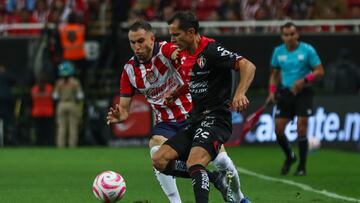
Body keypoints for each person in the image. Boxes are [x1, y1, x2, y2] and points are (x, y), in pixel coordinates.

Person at [106, 21, 250, 203]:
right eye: (132, 43)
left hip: (194, 115)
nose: (137, 47)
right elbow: (125, 110)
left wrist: (176, 55)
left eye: (141, 41)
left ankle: (239, 198)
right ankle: (179, 200)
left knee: (222, 162)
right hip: (166, 123)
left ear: (152, 39)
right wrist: (121, 116)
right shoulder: (129, 71)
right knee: (157, 152)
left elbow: (176, 52)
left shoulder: (166, 49)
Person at [152, 12, 255, 203]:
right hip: (195, 121)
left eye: (176, 35)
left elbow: (248, 66)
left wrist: (240, 93)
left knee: (195, 162)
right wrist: (176, 93)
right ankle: (215, 178)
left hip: (216, 120)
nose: (172, 40)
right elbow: (193, 82)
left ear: (191, 32)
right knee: (159, 160)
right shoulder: (184, 55)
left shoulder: (211, 50)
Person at [266, 22, 325, 176]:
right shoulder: (278, 52)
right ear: (282, 36)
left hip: (304, 92)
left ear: (297, 34)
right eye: (286, 34)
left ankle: (302, 167)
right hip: (286, 93)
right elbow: (275, 74)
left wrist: (304, 80)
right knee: (278, 130)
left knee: (301, 127)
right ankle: (290, 157)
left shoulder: (307, 50)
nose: (290, 37)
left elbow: (319, 71)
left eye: (292, 34)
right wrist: (272, 92)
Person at [53, 61, 84, 148]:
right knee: (73, 126)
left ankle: (60, 146)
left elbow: (55, 96)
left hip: (62, 104)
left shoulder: (59, 83)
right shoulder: (75, 82)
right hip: (72, 104)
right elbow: (80, 96)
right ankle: (72, 146)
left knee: (61, 127)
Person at [31, 73, 55, 146]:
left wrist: (40, 95)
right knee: (48, 129)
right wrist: (46, 95)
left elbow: (34, 96)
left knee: (38, 129)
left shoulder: (35, 88)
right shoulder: (50, 88)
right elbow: (52, 96)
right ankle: (48, 143)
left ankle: (39, 143)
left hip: (37, 112)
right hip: (48, 111)